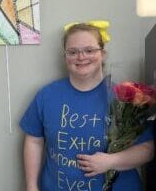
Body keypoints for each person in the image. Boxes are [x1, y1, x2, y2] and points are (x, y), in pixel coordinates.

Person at [19, 21, 154, 191]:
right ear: (65, 57)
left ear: (103, 54)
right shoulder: (47, 95)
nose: (81, 57)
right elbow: (34, 140)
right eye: (73, 52)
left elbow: (148, 149)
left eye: (89, 50)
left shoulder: (125, 97)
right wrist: (31, 186)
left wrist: (111, 161)